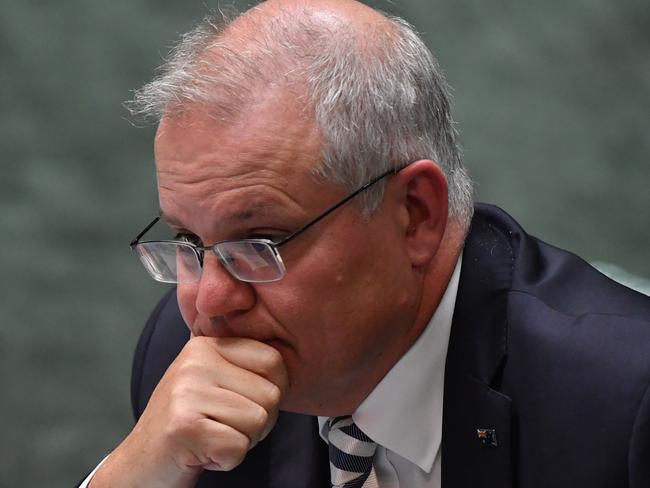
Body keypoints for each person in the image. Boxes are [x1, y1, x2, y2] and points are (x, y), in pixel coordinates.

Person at [79, 0, 650, 486]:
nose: (208, 302)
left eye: (259, 241)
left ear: (415, 215)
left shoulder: (625, 406)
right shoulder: (179, 364)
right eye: (185, 239)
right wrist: (131, 472)